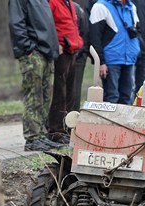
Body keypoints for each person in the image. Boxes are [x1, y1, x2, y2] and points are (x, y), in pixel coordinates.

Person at [9, 0, 63, 152]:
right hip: (33, 54)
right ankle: (32, 137)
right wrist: (28, 48)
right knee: (34, 96)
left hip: (47, 53)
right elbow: (16, 24)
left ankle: (41, 134)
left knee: (46, 96)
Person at [89, 0, 141, 105]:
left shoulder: (131, 6)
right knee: (111, 96)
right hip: (110, 60)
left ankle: (122, 121)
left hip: (129, 59)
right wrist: (101, 62)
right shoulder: (100, 6)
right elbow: (94, 37)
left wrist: (136, 50)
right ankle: (108, 121)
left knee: (127, 97)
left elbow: (136, 30)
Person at [48, 0, 84, 145]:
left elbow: (73, 25)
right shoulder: (53, 3)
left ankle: (67, 128)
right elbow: (49, 26)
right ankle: (56, 130)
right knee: (59, 92)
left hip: (72, 50)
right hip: (62, 51)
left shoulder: (69, 3)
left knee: (70, 92)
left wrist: (78, 42)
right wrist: (56, 43)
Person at [70, 1, 91, 112]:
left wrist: (79, 52)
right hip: (69, 54)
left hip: (77, 55)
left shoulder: (77, 9)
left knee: (74, 90)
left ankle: (72, 117)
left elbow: (85, 33)